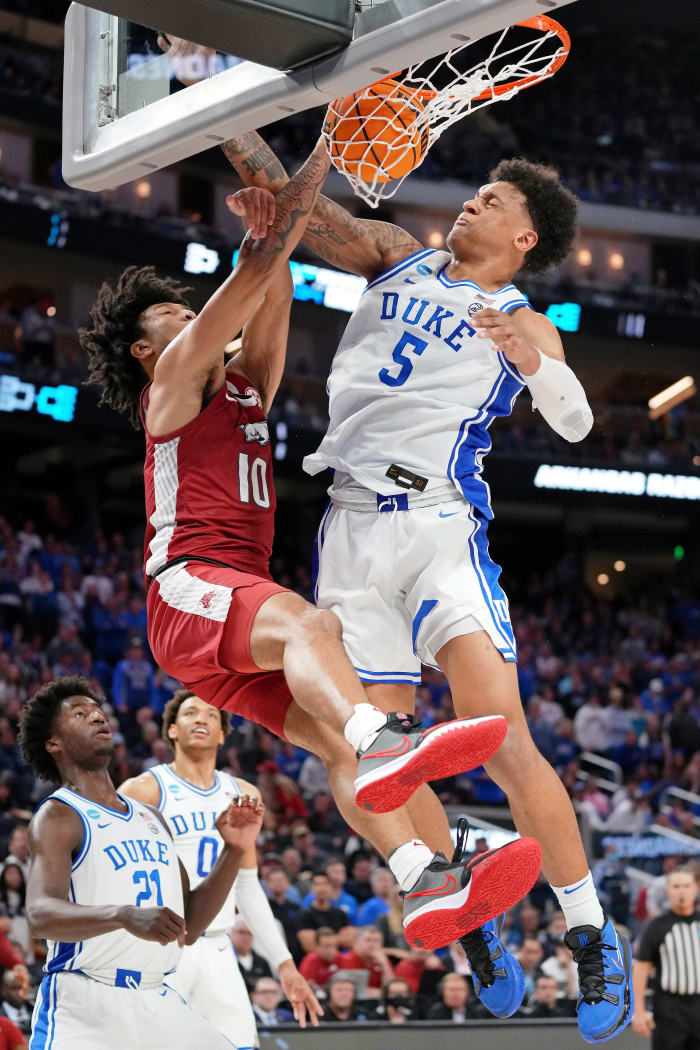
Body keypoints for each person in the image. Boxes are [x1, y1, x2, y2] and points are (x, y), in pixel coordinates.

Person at [82, 90, 539, 953]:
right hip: (189, 591)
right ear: (148, 348)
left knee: (333, 730)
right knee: (315, 628)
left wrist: (278, 214)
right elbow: (253, 276)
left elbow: (276, 283)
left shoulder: (244, 378)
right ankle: (384, 736)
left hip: (223, 615)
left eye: (190, 313)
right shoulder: (172, 382)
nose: (192, 322)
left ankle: (421, 881)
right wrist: (329, 137)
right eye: (177, 317)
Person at [215, 111, 631, 1042]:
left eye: (491, 199)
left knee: (500, 738)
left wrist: (530, 361)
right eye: (474, 190)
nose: (470, 200)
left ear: (522, 238)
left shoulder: (521, 315)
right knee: (378, 763)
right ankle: (469, 905)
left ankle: (590, 930)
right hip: (350, 533)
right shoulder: (394, 254)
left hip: (439, 528)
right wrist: (229, 118)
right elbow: (299, 210)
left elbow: (572, 424)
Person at [16, 674, 265, 1050]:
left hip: (156, 998)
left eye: (98, 711)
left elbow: (189, 926)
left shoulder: (151, 817)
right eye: (80, 714)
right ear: (54, 743)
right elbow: (38, 916)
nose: (98, 717)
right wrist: (123, 915)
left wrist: (233, 850)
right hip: (86, 1001)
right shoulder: (59, 815)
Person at [120, 689, 317, 1047]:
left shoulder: (243, 793)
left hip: (218, 947)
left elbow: (247, 885)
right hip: (162, 945)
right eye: (191, 713)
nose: (202, 719)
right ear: (173, 731)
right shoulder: (142, 790)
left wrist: (284, 964)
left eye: (212, 715)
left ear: (224, 734)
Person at [632, 865, 700, 1050]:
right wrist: (638, 1011)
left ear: (696, 888)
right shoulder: (657, 926)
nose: (682, 891)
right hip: (669, 1009)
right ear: (668, 891)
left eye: (686, 886)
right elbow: (641, 967)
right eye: (676, 886)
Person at [296, 872, 353, 955]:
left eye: (325, 884)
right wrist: (338, 939)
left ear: (331, 887)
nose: (321, 888)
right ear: (312, 889)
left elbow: (349, 941)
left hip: (338, 963)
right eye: (317, 884)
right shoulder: (304, 914)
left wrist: (321, 941)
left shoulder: (340, 914)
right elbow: (309, 946)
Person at [339, 926, 394, 998]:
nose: (372, 944)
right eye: (368, 940)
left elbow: (392, 988)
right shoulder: (348, 959)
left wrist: (385, 964)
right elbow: (356, 992)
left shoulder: (382, 960)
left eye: (376, 941)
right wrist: (384, 993)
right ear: (357, 942)